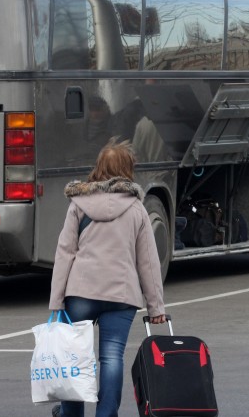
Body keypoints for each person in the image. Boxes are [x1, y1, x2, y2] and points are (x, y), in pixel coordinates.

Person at [49, 139, 167, 417]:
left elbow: (65, 252)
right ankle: (106, 414)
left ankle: (72, 413)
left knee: (74, 358)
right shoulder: (137, 208)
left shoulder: (78, 204)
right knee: (112, 357)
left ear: (99, 167)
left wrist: (56, 301)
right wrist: (156, 307)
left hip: (81, 294)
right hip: (121, 295)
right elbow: (148, 262)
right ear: (127, 169)